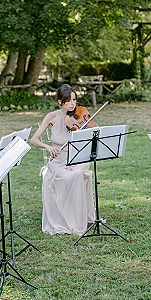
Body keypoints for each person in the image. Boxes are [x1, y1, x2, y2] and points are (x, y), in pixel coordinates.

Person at [30, 84, 95, 235]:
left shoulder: (79, 117)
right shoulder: (52, 116)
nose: (73, 104)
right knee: (65, 176)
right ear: (60, 101)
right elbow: (34, 139)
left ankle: (78, 217)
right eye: (69, 100)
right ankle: (64, 218)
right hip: (59, 162)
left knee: (78, 174)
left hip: (77, 159)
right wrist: (48, 147)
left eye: (74, 100)